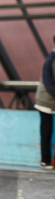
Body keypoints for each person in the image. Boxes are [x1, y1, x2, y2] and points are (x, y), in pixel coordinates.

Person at [36, 36, 55, 169]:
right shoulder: (50, 60)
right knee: (46, 131)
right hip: (45, 102)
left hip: (52, 101)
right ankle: (45, 160)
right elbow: (49, 84)